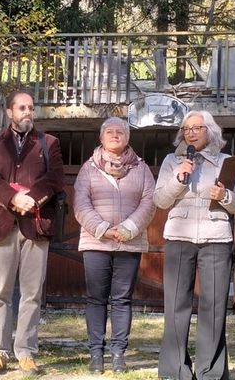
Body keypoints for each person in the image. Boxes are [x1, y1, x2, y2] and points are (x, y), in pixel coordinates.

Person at [155, 111, 235, 380]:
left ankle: (210, 372)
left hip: (216, 238)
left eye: (198, 127)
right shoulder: (173, 162)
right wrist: (179, 178)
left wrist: (225, 195)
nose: (191, 132)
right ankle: (175, 370)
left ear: (210, 131)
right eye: (187, 128)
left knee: (214, 306)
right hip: (179, 238)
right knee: (175, 306)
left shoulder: (225, 162)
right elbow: (160, 200)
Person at [0, 91, 65, 376]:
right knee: (0, 292)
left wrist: (34, 198)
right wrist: (13, 198)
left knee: (31, 293)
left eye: (31, 107)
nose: (28, 112)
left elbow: (54, 179)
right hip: (1, 225)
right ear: (9, 112)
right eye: (22, 107)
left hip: (35, 227)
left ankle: (26, 351)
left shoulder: (49, 143)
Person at [73, 117, 156, 374]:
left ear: (127, 137)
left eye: (120, 131)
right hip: (95, 242)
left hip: (129, 244)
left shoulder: (141, 168)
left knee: (122, 300)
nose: (115, 134)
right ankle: (96, 353)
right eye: (109, 131)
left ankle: (119, 353)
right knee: (96, 299)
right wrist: (103, 230)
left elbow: (149, 201)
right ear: (101, 138)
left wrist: (128, 229)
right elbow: (80, 203)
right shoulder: (88, 168)